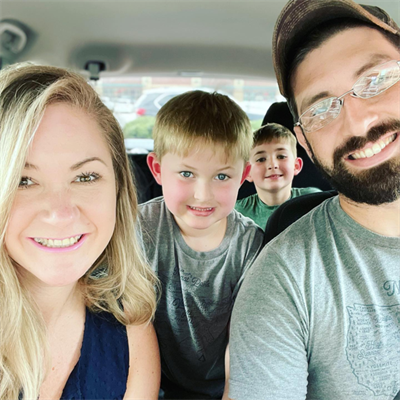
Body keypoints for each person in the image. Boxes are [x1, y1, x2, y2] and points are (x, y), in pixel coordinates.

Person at [229, 0, 400, 399]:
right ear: (305, 141)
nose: (357, 122)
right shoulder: (280, 282)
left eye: (376, 80)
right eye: (322, 109)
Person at [0, 63, 160, 399]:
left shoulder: (132, 334)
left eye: (85, 177)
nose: (60, 213)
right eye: (23, 180)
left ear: (118, 189)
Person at [139, 90, 264, 400]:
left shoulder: (250, 246)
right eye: (186, 173)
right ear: (157, 170)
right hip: (153, 381)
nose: (202, 195)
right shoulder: (139, 229)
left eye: (221, 176)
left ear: (243, 176)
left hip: (226, 387)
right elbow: (130, 323)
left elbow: (243, 341)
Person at [235, 123, 321, 229]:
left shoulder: (314, 201)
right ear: (247, 172)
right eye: (261, 159)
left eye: (281, 156)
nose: (272, 165)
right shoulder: (236, 213)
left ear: (296, 166)